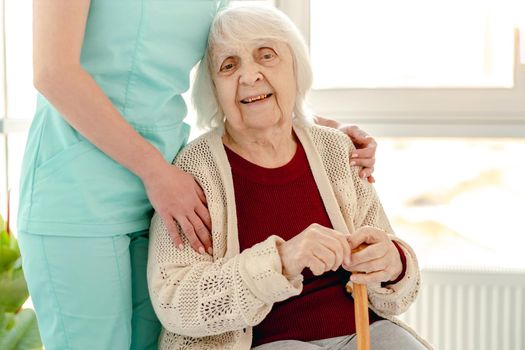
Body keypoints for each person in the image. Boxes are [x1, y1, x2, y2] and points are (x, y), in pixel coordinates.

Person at [17, 1, 377, 349]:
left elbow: (233, 51)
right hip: (79, 191)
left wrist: (310, 126)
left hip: (165, 197)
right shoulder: (150, 176)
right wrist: (153, 170)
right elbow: (53, 72)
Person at [147, 4, 432, 350]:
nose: (249, 75)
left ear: (295, 68)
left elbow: (397, 296)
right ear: (213, 89)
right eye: (229, 65)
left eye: (266, 55)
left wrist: (394, 264)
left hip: (365, 333)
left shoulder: (337, 151)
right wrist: (280, 261)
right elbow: (175, 302)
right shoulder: (196, 168)